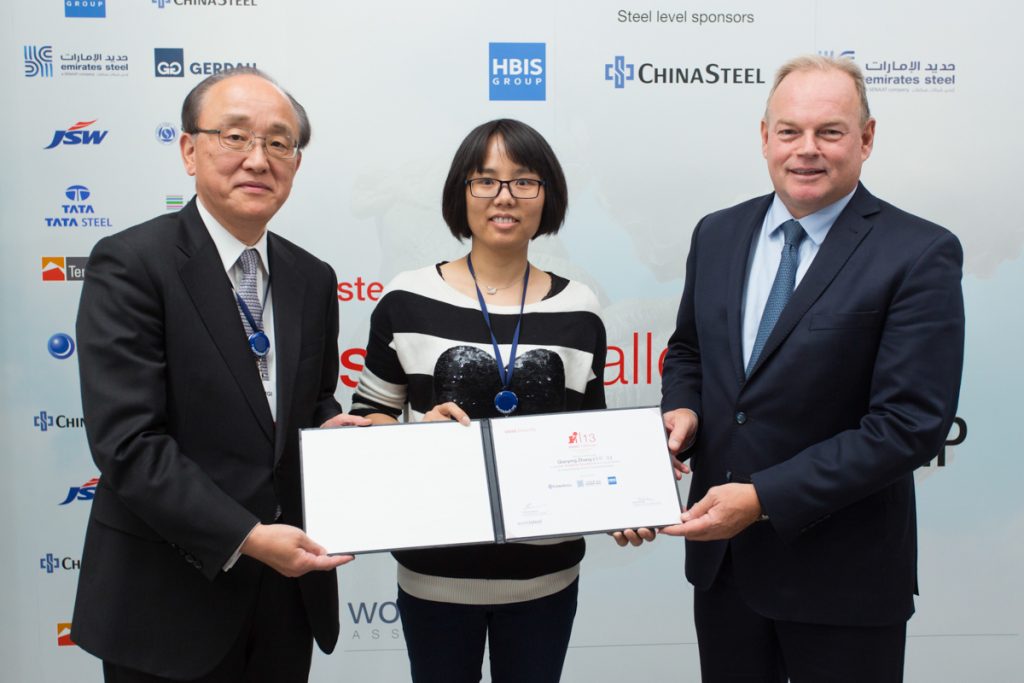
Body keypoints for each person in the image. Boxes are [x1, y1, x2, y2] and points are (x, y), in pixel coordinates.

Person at [657, 55, 965, 681]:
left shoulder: (919, 252)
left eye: (830, 132)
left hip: (844, 578)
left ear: (866, 139)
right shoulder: (717, 233)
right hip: (725, 570)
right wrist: (683, 405)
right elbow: (688, 350)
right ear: (764, 136)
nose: (806, 150)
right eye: (790, 131)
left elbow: (909, 425)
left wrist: (763, 498)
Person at [71, 67, 369, 682]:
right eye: (235, 137)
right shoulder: (131, 264)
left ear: (295, 162)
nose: (258, 159)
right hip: (167, 601)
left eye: (279, 142)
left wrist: (337, 435)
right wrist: (248, 537)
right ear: (189, 150)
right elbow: (129, 443)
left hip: (286, 601)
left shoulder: (312, 278)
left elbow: (312, 404)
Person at [350, 119, 607, 683]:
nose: (504, 197)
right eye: (485, 181)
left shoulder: (581, 309)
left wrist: (626, 504)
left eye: (524, 181)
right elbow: (366, 423)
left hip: (547, 576)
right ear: (460, 193)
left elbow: (591, 434)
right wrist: (418, 435)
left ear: (547, 195)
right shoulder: (405, 299)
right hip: (434, 573)